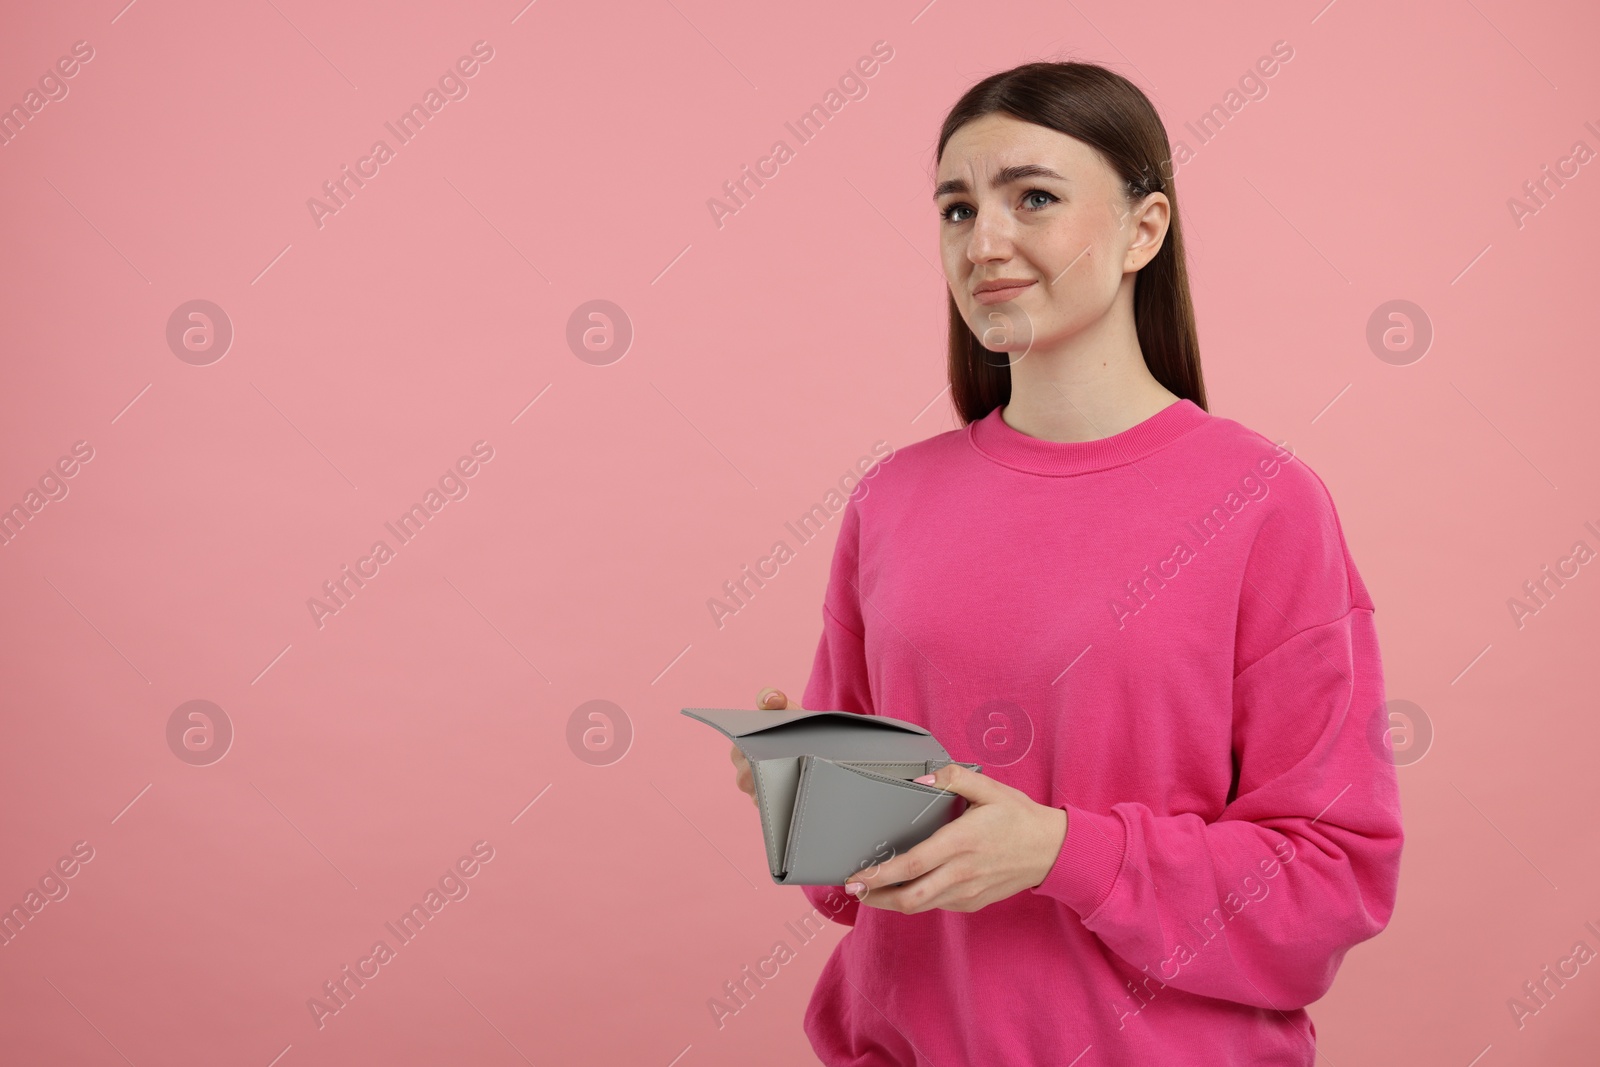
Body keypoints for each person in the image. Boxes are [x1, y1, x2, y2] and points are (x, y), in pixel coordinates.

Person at [727, 60, 1403, 1066]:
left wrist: (1057, 849)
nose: (983, 242)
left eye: (1031, 198)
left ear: (1144, 229)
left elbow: (1327, 880)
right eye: (956, 209)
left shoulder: (1264, 502)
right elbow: (854, 888)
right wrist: (807, 793)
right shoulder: (892, 499)